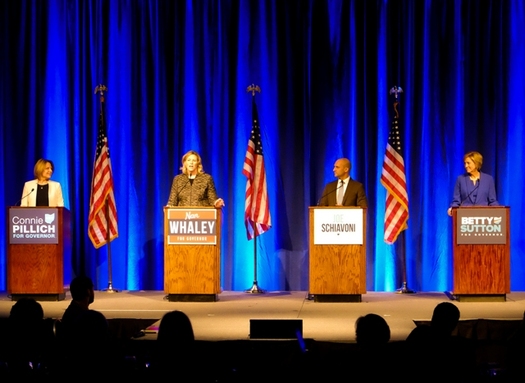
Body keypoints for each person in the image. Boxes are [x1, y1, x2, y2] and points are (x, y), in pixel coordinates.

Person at [447, 151, 498, 216]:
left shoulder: (488, 179)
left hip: (483, 218)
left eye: (468, 163)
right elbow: (456, 201)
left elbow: (492, 201)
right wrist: (452, 209)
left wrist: (498, 212)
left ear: (476, 163)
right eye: (465, 163)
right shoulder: (460, 179)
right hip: (465, 218)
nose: (466, 166)